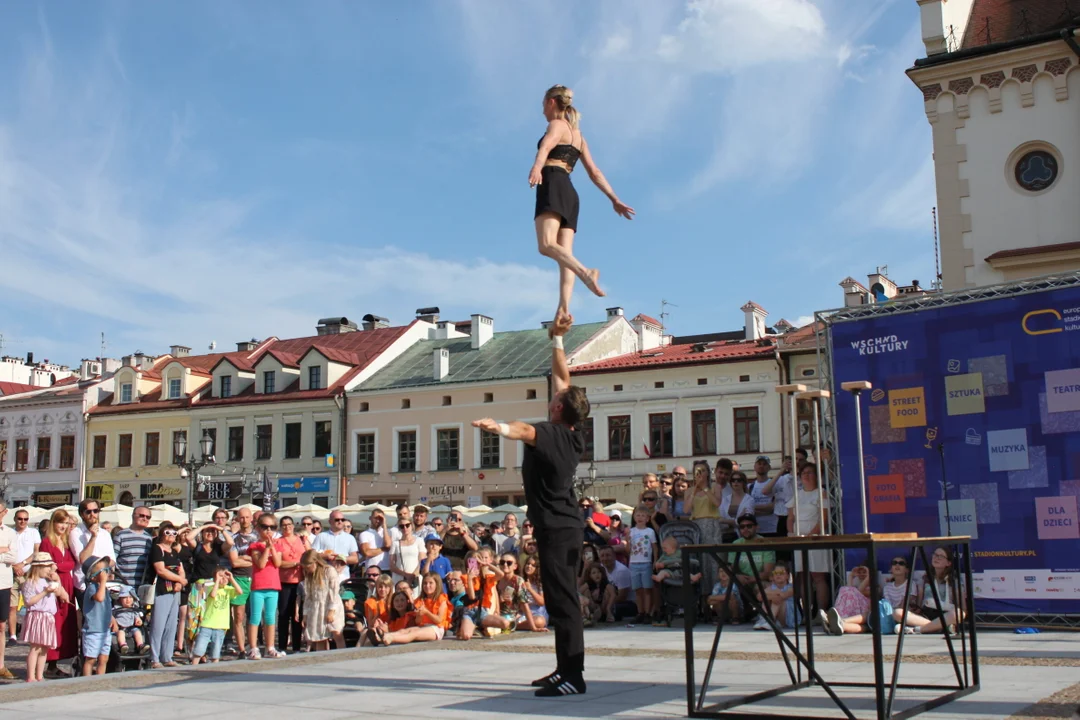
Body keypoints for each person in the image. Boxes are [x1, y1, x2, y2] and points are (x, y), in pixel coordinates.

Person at [472, 311, 589, 696]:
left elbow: (523, 429)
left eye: (553, 399)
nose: (552, 395)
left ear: (557, 409)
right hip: (563, 525)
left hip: (557, 528)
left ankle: (573, 675)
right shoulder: (571, 432)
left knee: (564, 602)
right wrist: (557, 340)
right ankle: (562, 668)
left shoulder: (549, 435)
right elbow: (563, 378)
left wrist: (498, 428)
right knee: (560, 598)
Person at [530, 84, 634, 318]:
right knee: (564, 253)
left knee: (546, 245)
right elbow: (594, 172)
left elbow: (546, 146)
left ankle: (586, 273)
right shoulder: (579, 137)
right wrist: (614, 199)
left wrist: (537, 167)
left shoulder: (556, 125)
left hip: (553, 183)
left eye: (543, 106)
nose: (543, 112)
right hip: (569, 191)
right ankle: (564, 308)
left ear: (551, 103)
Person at [38, 509, 78, 677]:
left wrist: (60, 566)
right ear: (54, 523)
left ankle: (61, 659)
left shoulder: (67, 542)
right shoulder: (48, 542)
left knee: (65, 623)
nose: (63, 526)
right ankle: (50, 662)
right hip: (53, 584)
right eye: (61, 522)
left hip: (67, 583)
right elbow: (46, 565)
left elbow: (72, 563)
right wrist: (59, 568)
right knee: (53, 622)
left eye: (66, 523)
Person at [788, 463, 830, 617]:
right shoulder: (797, 495)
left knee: (818, 576)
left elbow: (824, 519)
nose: (806, 475)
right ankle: (806, 613)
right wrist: (792, 533)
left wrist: (811, 535)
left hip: (815, 538)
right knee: (803, 575)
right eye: (803, 472)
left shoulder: (822, 493)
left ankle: (821, 612)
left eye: (810, 472)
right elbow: (790, 518)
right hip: (799, 539)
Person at [18, 551, 68, 682]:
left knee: (44, 648)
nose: (49, 570)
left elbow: (63, 595)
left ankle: (40, 676)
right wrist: (45, 592)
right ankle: (31, 676)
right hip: (37, 616)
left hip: (48, 616)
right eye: (47, 567)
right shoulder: (30, 582)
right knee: (35, 647)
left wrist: (57, 581)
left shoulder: (49, 580)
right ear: (38, 567)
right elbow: (29, 601)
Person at [895, 547, 965, 635]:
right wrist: (915, 609)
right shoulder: (925, 578)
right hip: (927, 615)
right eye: (935, 555)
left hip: (946, 614)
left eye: (941, 556)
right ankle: (938, 628)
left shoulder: (954, 580)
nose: (937, 558)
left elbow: (963, 607)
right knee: (898, 613)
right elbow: (920, 604)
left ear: (948, 563)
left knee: (959, 613)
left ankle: (919, 629)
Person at [148, 522, 186, 668]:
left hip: (175, 590)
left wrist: (180, 581)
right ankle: (154, 658)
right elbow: (161, 570)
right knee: (158, 624)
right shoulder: (158, 549)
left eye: (174, 533)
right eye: (168, 532)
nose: (171, 535)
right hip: (162, 589)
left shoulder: (174, 552)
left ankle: (167, 656)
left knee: (171, 624)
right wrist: (179, 579)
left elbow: (180, 568)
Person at [247, 513, 284, 658]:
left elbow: (278, 563)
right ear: (258, 528)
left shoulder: (278, 544)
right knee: (255, 617)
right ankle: (253, 648)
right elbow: (261, 564)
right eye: (265, 527)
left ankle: (270, 647)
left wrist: (272, 548)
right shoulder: (255, 546)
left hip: (273, 585)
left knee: (270, 618)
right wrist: (267, 548)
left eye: (272, 527)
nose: (268, 530)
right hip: (258, 585)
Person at [376, 573, 450, 646]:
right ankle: (384, 636)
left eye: (431, 583)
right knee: (405, 631)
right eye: (425, 583)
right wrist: (419, 615)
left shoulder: (441, 599)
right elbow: (417, 622)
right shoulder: (420, 600)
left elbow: (439, 620)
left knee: (414, 634)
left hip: (436, 628)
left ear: (437, 585)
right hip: (423, 626)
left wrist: (427, 612)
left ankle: (391, 638)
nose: (427, 586)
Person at [191, 567, 243, 665]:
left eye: (225, 576)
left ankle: (215, 668)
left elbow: (240, 591)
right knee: (199, 650)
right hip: (207, 624)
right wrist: (217, 581)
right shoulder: (211, 587)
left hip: (221, 625)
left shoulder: (228, 589)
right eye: (220, 576)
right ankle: (194, 665)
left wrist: (231, 578)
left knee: (216, 652)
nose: (224, 579)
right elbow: (213, 595)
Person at [69, 499, 116, 606]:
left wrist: (101, 573)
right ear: (82, 514)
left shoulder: (105, 534)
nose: (93, 514)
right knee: (89, 619)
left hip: (103, 583)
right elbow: (83, 560)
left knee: (104, 619)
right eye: (88, 512)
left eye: (95, 511)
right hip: (84, 585)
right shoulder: (76, 533)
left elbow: (112, 560)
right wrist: (93, 537)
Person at [275, 515, 308, 653]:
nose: (287, 527)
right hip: (284, 582)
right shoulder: (278, 542)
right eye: (284, 525)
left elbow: (309, 554)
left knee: (298, 615)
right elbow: (279, 562)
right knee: (283, 614)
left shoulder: (301, 540)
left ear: (293, 525)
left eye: (289, 524)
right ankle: (282, 645)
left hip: (300, 582)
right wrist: (294, 563)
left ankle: (296, 646)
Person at [300, 549, 345, 651]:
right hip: (317, 606)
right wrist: (305, 614)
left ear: (315, 562)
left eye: (308, 567)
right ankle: (321, 657)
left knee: (336, 632)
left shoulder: (329, 571)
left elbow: (334, 591)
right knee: (319, 636)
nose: (306, 570)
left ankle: (342, 654)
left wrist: (331, 611)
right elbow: (308, 596)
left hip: (331, 604)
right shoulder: (309, 576)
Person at [228, 507, 258, 657]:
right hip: (238, 579)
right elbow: (234, 562)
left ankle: (253, 645)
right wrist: (251, 559)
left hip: (255, 578)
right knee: (238, 616)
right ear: (238, 519)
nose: (244, 520)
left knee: (254, 615)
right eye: (242, 517)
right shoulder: (234, 539)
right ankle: (241, 649)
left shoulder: (258, 537)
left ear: (251, 518)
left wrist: (245, 558)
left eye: (247, 517)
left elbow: (260, 562)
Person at [10, 507, 41, 646]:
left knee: (31, 604)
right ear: (15, 519)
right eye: (20, 519)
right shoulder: (10, 533)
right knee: (12, 606)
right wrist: (14, 566)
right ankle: (12, 635)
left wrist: (22, 564)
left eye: (25, 519)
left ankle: (29, 632)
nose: (23, 521)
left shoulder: (33, 532)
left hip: (28, 571)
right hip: (12, 571)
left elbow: (36, 552)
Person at [81, 556, 113, 675]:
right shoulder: (92, 588)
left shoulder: (104, 589)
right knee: (91, 659)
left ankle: (100, 679)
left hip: (105, 629)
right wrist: (103, 582)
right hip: (93, 630)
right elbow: (99, 598)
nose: (106, 574)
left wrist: (112, 618)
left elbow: (107, 606)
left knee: (104, 658)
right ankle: (87, 680)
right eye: (103, 572)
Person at [627, 505, 657, 624]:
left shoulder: (649, 532)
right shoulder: (632, 531)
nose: (640, 518)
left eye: (643, 516)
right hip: (634, 562)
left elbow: (654, 547)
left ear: (647, 519)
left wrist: (654, 560)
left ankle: (648, 613)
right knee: (637, 589)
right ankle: (640, 612)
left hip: (646, 563)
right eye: (638, 515)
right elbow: (628, 549)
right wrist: (627, 539)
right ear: (634, 517)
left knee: (647, 589)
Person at [113, 506, 153, 589]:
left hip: (142, 587)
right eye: (142, 515)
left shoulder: (149, 538)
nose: (145, 519)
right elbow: (113, 559)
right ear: (133, 516)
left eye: (148, 517)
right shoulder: (121, 535)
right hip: (123, 586)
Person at [312, 510, 360, 579]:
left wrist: (339, 558)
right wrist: (325, 556)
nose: (340, 522)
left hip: (342, 576)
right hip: (324, 576)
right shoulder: (321, 536)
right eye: (337, 520)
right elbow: (312, 556)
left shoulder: (350, 538)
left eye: (342, 520)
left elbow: (355, 559)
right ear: (330, 521)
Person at [0, 501, 15, 680]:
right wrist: (3, 551)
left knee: (1, 625)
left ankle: (1, 665)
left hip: (3, 583)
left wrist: (5, 553)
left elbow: (14, 555)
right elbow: (8, 555)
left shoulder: (10, 533)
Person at [390, 518, 423, 599]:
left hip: (415, 577)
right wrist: (406, 575)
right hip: (399, 577)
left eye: (407, 525)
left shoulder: (419, 540)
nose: (405, 528)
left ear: (412, 526)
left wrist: (413, 575)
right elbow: (391, 564)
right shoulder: (395, 543)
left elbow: (422, 560)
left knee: (415, 599)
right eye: (402, 526)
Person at [757, 565, 797, 631]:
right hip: (777, 618)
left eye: (781, 573)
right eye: (775, 573)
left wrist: (771, 595)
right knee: (767, 600)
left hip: (788, 617)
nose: (778, 575)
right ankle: (764, 621)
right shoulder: (771, 587)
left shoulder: (791, 587)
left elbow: (783, 595)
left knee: (777, 600)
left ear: (787, 576)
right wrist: (772, 595)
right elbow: (759, 596)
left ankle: (770, 621)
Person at [110, 587, 147, 654]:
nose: (128, 600)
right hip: (120, 628)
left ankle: (140, 645)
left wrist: (138, 620)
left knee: (137, 632)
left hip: (131, 627)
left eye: (130, 597)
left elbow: (137, 617)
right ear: (120, 599)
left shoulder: (134, 609)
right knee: (121, 633)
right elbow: (111, 616)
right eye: (125, 598)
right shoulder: (116, 609)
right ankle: (123, 645)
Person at [519, 554, 548, 632]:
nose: (529, 566)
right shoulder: (519, 580)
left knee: (539, 621)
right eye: (528, 564)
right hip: (522, 611)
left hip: (537, 611)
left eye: (533, 565)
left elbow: (541, 602)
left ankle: (515, 626)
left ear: (537, 568)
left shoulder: (539, 583)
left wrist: (530, 589)